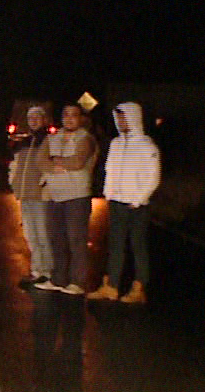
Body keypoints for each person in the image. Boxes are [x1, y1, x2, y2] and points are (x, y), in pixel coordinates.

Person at [89, 101, 160, 304]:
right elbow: (110, 170)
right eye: (118, 117)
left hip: (137, 206)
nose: (121, 121)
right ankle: (111, 286)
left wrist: (138, 199)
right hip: (117, 202)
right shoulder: (116, 144)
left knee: (138, 245)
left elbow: (153, 177)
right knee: (115, 245)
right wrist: (108, 193)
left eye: (124, 117)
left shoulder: (147, 145)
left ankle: (139, 288)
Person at [40, 103, 98, 296]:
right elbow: (40, 160)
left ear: (81, 118)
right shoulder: (52, 138)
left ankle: (77, 281)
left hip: (77, 196)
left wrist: (55, 160)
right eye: (66, 115)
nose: (70, 118)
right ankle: (58, 278)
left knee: (76, 239)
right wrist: (57, 163)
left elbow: (78, 161)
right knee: (57, 239)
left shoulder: (86, 139)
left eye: (74, 115)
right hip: (55, 196)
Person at [7, 104, 55, 289]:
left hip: (41, 196)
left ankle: (48, 271)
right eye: (30, 118)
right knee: (30, 235)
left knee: (43, 234)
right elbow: (16, 166)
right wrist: (15, 185)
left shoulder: (49, 141)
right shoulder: (25, 142)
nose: (34, 121)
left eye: (37, 117)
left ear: (44, 120)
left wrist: (46, 185)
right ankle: (37, 270)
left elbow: (52, 168)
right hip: (26, 195)